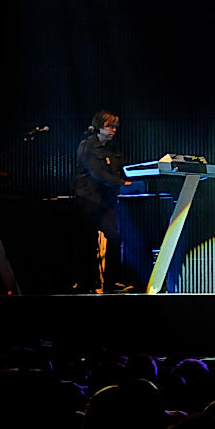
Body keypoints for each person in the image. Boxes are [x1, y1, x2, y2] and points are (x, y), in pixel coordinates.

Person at [73, 110, 137, 293]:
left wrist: (129, 181)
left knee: (115, 237)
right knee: (88, 242)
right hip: (87, 199)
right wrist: (123, 183)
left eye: (115, 127)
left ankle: (113, 282)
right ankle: (87, 283)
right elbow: (98, 174)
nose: (114, 130)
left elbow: (119, 170)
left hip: (105, 201)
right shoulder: (87, 146)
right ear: (99, 126)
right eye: (110, 126)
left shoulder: (113, 148)